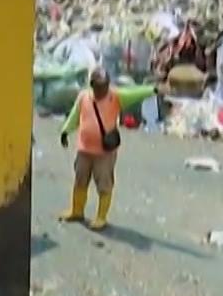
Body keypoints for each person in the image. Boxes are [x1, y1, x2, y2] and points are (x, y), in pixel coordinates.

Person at [58, 68, 157, 231]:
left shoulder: (115, 96)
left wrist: (152, 89)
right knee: (80, 179)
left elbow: (135, 93)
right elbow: (75, 116)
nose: (103, 89)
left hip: (105, 152)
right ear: (92, 86)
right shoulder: (84, 97)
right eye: (100, 86)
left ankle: (101, 217)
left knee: (104, 183)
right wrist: (65, 131)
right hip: (84, 148)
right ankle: (76, 210)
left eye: (105, 86)